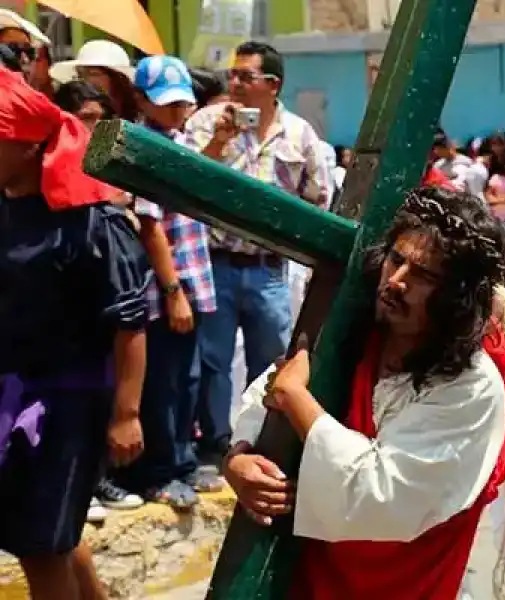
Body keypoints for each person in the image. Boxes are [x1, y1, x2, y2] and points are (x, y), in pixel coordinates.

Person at [224, 186, 505, 599]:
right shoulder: (352, 337)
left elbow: (380, 495)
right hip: (312, 578)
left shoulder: (472, 389)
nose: (398, 281)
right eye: (396, 260)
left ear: (458, 297)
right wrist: (238, 459)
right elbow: (265, 395)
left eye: (423, 275)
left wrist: (297, 398)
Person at [0, 65, 149, 600]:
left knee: (42, 547)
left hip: (66, 403)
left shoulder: (87, 222)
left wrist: (127, 413)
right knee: (47, 537)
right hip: (11, 396)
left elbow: (130, 321)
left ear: (23, 145)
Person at [184, 41, 327, 471]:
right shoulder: (207, 122)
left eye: (246, 76)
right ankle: (214, 446)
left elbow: (318, 199)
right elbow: (185, 178)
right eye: (233, 75)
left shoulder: (301, 134)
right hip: (216, 264)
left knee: (271, 363)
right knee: (213, 362)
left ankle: (263, 444)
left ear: (273, 84)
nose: (235, 84)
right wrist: (219, 142)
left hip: (268, 271)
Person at [114, 55, 222, 509]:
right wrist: (173, 291)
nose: (178, 110)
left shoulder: (178, 141)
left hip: (193, 283)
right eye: (168, 103)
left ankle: (182, 461)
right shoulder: (149, 151)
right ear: (141, 101)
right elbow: (151, 225)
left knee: (188, 378)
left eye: (182, 102)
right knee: (166, 382)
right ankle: (159, 472)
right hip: (168, 290)